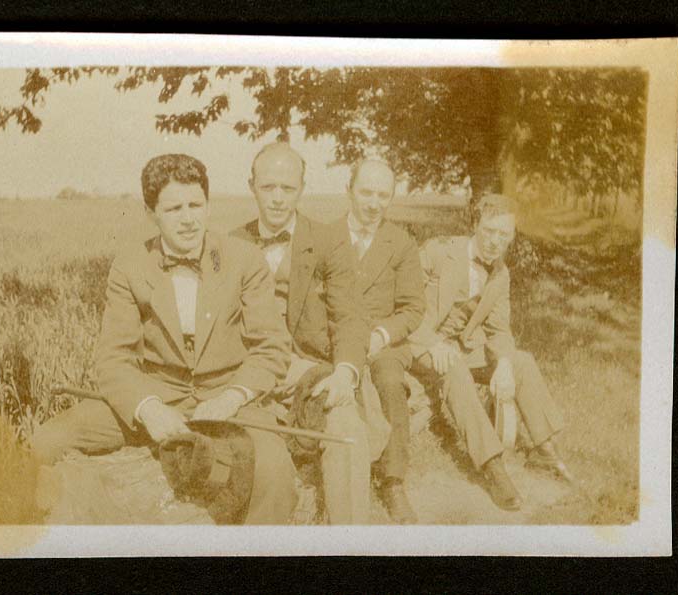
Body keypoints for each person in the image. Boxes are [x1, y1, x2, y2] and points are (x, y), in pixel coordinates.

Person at [32, 153, 297, 524]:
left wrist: (231, 397)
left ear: (208, 205)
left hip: (229, 399)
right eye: (173, 209)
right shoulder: (129, 266)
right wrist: (148, 408)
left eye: (196, 205)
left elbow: (272, 347)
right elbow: (113, 358)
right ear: (150, 212)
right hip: (157, 394)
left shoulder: (245, 258)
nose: (188, 219)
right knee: (46, 442)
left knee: (274, 471)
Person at [232, 142, 378, 525]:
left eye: (288, 188)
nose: (278, 198)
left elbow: (350, 317)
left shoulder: (329, 240)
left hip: (312, 372)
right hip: (251, 374)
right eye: (268, 187)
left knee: (347, 429)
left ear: (302, 189)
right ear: (251, 186)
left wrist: (345, 372)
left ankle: (353, 545)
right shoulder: (229, 244)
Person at [409, 193, 567, 511]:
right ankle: (493, 466)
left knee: (521, 361)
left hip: (459, 348)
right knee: (453, 367)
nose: (495, 242)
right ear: (475, 225)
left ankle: (544, 450)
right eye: (489, 231)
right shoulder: (438, 252)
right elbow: (401, 305)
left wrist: (504, 363)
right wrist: (433, 342)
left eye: (504, 235)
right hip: (418, 342)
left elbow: (499, 330)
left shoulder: (500, 274)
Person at [337, 158, 425, 523]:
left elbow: (413, 308)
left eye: (383, 196)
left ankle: (393, 480)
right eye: (366, 193)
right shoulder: (326, 237)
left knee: (389, 381)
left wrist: (381, 334)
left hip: (382, 343)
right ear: (349, 191)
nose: (374, 204)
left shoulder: (401, 243)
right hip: (336, 338)